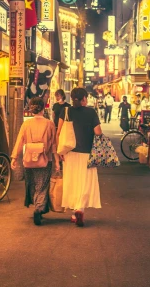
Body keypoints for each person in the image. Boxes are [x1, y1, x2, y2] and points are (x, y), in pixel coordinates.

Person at [57, 87, 102, 227]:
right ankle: (79, 209)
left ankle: (73, 213)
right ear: (84, 99)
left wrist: (60, 152)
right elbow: (98, 132)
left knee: (72, 181)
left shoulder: (65, 111)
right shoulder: (91, 112)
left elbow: (59, 133)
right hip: (86, 153)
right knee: (85, 182)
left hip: (69, 152)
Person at [11, 97, 59, 225]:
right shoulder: (49, 124)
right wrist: (57, 162)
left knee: (32, 184)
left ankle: (37, 205)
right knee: (42, 186)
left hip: (29, 160)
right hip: (45, 160)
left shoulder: (26, 124)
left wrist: (14, 157)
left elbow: (19, 141)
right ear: (43, 108)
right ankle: (39, 208)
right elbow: (54, 144)